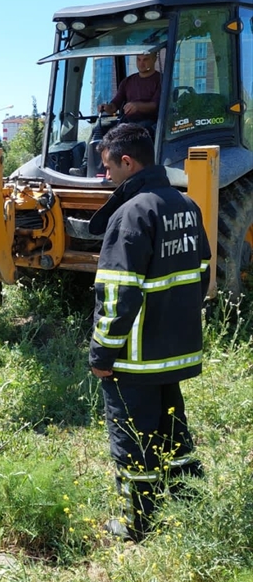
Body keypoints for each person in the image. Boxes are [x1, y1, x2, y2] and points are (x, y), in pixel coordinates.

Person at [88, 124, 210, 540]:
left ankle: (137, 521)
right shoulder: (186, 204)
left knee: (132, 435)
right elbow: (202, 272)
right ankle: (189, 497)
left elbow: (117, 293)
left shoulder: (130, 213)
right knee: (172, 427)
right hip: (175, 349)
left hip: (135, 357)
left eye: (108, 168)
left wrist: (102, 354)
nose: (106, 177)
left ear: (127, 161)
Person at [98, 51, 162, 123]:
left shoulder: (162, 80)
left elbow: (156, 105)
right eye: (138, 59)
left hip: (153, 124)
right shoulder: (127, 81)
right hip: (128, 123)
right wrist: (107, 108)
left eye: (145, 59)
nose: (141, 63)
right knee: (100, 129)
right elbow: (115, 105)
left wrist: (137, 106)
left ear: (154, 59)